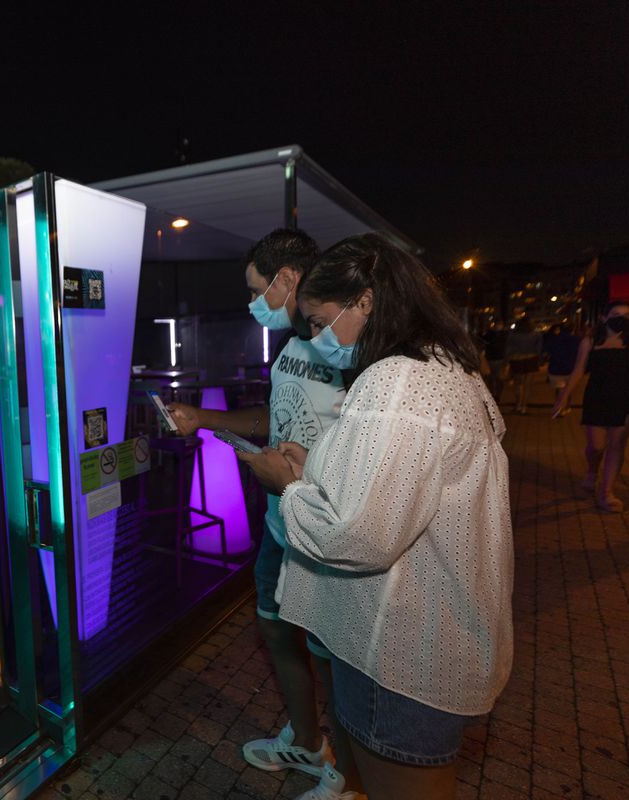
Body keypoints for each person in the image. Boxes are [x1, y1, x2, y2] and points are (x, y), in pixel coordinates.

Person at [239, 233, 513, 800]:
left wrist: (285, 486)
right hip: (435, 639)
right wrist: (315, 467)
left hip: (400, 649)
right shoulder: (445, 368)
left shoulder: (395, 381)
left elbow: (357, 533)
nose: (315, 339)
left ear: (364, 301)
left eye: (318, 323)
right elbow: (396, 485)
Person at [168, 229, 364, 800]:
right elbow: (273, 419)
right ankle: (308, 744)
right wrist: (202, 416)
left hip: (325, 529)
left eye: (258, 289)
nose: (254, 303)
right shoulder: (293, 347)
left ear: (286, 279)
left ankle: (349, 780)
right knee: (276, 630)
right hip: (282, 526)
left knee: (333, 659)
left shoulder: (347, 348)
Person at [552, 302, 629, 512]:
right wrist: (563, 397)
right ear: (604, 318)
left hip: (628, 398)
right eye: (616, 314)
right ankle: (592, 471)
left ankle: (607, 493)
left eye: (626, 315)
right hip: (598, 397)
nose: (621, 318)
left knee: (616, 445)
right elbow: (578, 371)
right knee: (596, 447)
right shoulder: (591, 341)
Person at [504, 314, 542, 414]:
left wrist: (507, 361)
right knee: (527, 385)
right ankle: (524, 406)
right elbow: (538, 350)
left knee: (518, 384)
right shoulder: (536, 334)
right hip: (531, 360)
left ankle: (518, 405)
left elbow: (509, 349)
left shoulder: (513, 334)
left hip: (517, 360)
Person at [543, 322, 582, 415]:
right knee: (568, 389)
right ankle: (566, 406)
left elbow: (548, 352)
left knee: (559, 389)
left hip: (556, 368)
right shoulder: (577, 340)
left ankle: (559, 407)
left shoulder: (553, 339)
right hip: (570, 369)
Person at [481, 319, 509, 403]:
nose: (498, 326)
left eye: (500, 324)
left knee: (499, 379)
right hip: (491, 359)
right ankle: (493, 394)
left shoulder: (505, 334)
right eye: (497, 324)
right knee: (491, 378)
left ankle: (497, 395)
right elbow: (483, 341)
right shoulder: (489, 334)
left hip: (500, 359)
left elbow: (507, 346)